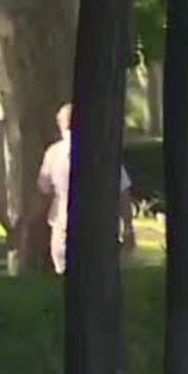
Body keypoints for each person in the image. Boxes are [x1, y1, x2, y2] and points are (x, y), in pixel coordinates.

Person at [36, 102, 134, 275]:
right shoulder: (104, 151)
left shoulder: (53, 153)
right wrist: (128, 227)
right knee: (99, 278)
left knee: (66, 278)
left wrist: (35, 226)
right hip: (101, 228)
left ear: (61, 124)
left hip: (64, 228)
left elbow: (44, 193)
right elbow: (122, 193)